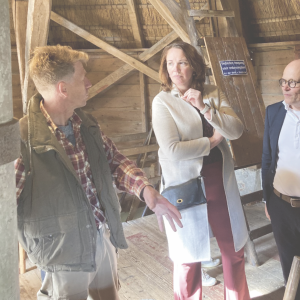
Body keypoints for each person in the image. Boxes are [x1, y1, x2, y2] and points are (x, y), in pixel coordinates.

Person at [15, 45, 182, 300]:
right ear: (63, 88)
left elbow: (114, 161)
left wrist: (145, 189)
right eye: (83, 78)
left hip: (102, 237)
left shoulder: (85, 123)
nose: (90, 83)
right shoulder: (22, 140)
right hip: (63, 255)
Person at [152, 41, 250, 300]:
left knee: (233, 250)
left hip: (219, 180)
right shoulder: (162, 102)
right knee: (187, 258)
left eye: (182, 62)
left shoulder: (212, 93)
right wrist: (212, 142)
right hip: (184, 186)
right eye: (170, 63)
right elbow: (172, 149)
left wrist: (205, 108)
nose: (176, 69)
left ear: (194, 67)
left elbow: (236, 130)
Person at [262, 59, 300, 299]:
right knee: (289, 268)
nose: (285, 87)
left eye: (293, 82)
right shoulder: (274, 112)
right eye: (283, 81)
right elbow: (267, 159)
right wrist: (268, 200)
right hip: (280, 204)